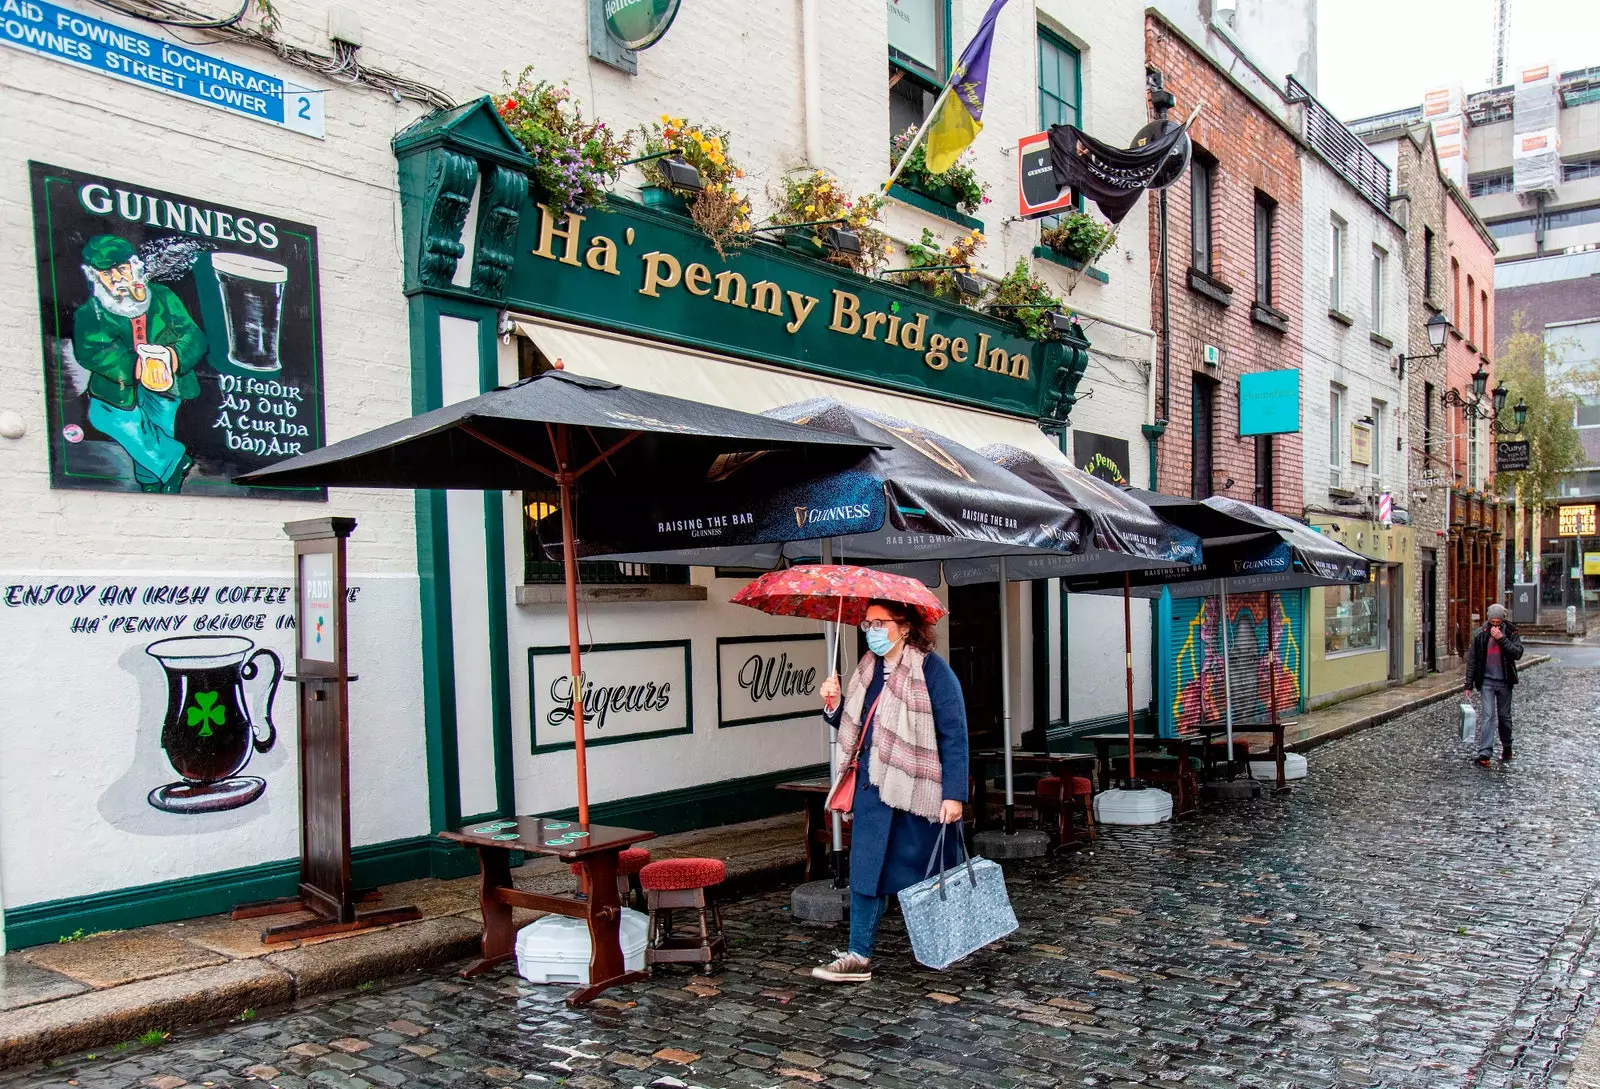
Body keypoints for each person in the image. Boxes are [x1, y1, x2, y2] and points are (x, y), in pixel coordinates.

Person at [812, 599, 968, 984]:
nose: (872, 631)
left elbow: (954, 734)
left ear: (904, 626)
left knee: (924, 875)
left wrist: (954, 794)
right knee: (865, 873)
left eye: (880, 623)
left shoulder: (933, 671)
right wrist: (834, 706)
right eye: (867, 624)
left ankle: (939, 945)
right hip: (873, 789)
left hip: (916, 790)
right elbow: (860, 725)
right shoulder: (867, 671)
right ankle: (857, 955)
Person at [72, 234, 206, 493]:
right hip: (118, 386)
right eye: (108, 274)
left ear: (133, 266)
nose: (118, 278)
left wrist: (171, 356)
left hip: (167, 381)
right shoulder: (91, 312)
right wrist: (134, 366)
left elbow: (193, 335)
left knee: (156, 430)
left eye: (121, 269)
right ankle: (176, 461)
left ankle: (155, 488)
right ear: (96, 277)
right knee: (104, 416)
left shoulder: (162, 296)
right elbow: (92, 351)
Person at [1465, 602, 1524, 767]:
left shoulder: (1512, 632)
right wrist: (1468, 684)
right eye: (1493, 622)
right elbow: (1473, 660)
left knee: (1504, 717)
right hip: (1487, 682)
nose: (1496, 625)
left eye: (1499, 623)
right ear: (1489, 620)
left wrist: (1501, 639)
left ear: (1503, 621)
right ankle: (1485, 752)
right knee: (1489, 716)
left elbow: (1517, 653)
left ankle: (1507, 746)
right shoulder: (1480, 634)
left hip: (1505, 682)